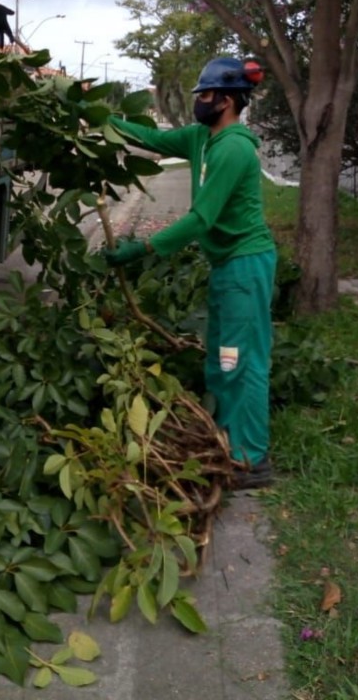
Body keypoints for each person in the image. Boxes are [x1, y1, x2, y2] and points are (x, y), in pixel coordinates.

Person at [102, 56, 277, 489]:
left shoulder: (234, 148)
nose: (199, 101)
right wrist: (97, 117)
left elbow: (200, 220)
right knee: (224, 358)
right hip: (226, 264)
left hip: (245, 264)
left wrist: (141, 249)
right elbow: (153, 140)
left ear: (229, 100)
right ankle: (230, 435)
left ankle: (252, 458)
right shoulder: (202, 136)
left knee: (243, 360)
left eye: (206, 95)